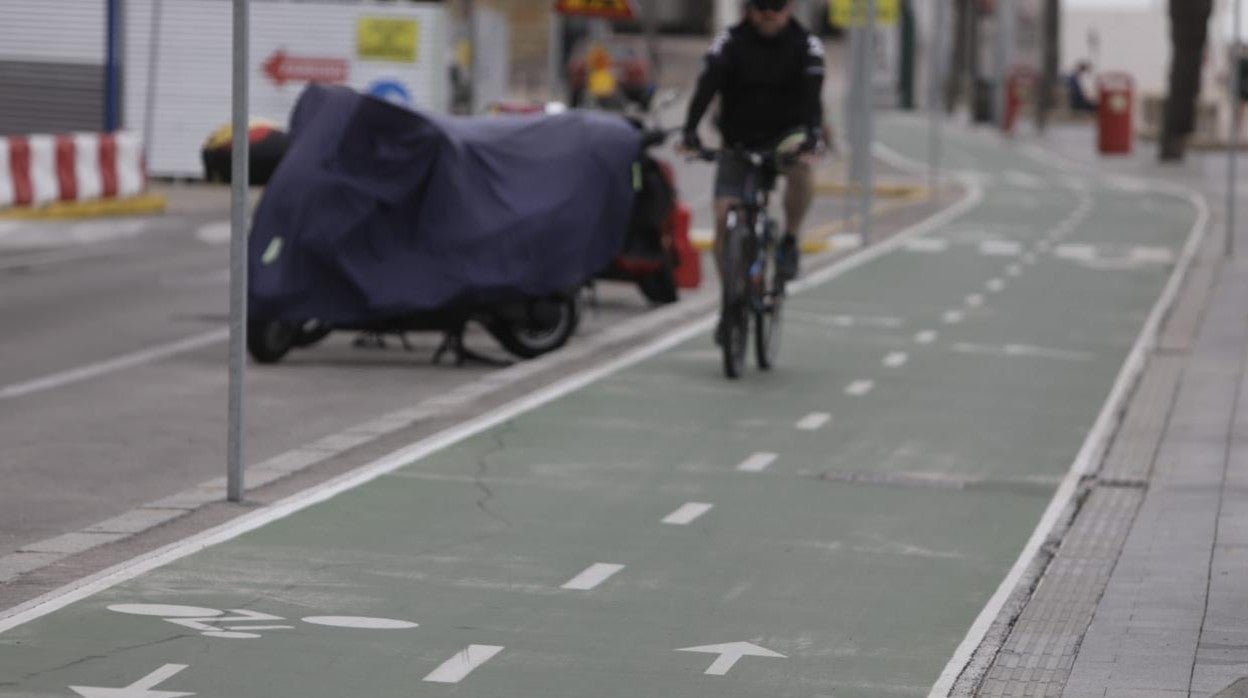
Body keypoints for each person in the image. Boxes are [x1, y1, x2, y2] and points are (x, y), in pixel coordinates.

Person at [678, 0, 824, 340]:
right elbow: (707, 84)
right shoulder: (731, 42)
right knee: (723, 219)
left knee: (802, 168)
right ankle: (731, 300)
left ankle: (789, 240)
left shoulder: (806, 45)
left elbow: (813, 97)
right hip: (740, 139)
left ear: (789, 9)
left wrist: (813, 136)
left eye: (776, 7)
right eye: (760, 7)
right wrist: (690, 130)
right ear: (748, 9)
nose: (768, 14)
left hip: (786, 135)